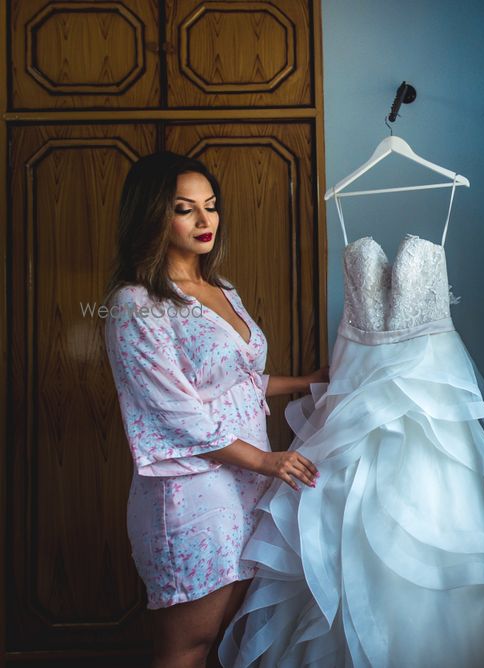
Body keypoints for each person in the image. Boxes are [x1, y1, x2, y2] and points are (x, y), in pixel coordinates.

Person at [218, 188, 484, 667]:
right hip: (355, 389)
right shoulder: (337, 201)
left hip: (428, 390)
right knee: (342, 524)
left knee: (440, 514)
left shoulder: (448, 190)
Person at [103, 151, 326, 668]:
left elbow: (237, 383)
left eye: (211, 205)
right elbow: (175, 413)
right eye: (185, 209)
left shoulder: (221, 288)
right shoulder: (135, 304)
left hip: (246, 483)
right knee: (188, 645)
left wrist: (308, 381)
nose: (205, 221)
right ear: (153, 215)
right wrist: (268, 461)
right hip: (192, 491)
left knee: (221, 638)